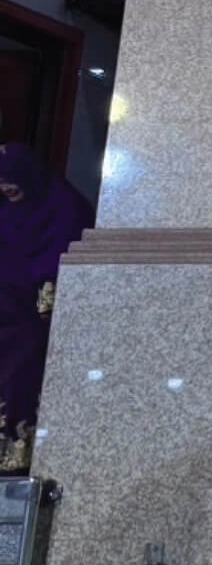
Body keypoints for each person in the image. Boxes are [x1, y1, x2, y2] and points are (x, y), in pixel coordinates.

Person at [0, 141, 92, 472]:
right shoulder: (8, 212)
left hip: (39, 321)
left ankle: (17, 456)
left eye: (9, 178)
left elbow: (64, 257)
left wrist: (43, 298)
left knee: (21, 374)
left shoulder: (63, 206)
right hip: (7, 311)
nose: (5, 187)